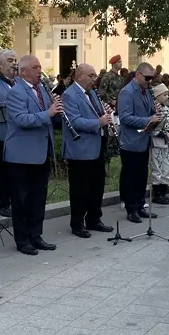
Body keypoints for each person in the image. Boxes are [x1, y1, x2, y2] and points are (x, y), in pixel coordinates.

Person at [5, 55, 59, 255]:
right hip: (21, 155)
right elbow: (20, 119)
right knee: (21, 200)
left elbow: (48, 114)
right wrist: (49, 113)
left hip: (40, 152)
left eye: (40, 67)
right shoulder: (16, 92)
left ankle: (36, 236)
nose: (39, 71)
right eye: (35, 67)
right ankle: (22, 240)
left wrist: (56, 109)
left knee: (38, 197)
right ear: (23, 71)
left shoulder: (42, 89)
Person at [62, 64, 114, 239]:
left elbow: (97, 114)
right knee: (80, 188)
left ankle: (94, 219)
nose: (95, 79)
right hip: (80, 149)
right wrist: (98, 123)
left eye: (95, 75)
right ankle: (77, 223)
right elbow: (74, 121)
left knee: (96, 186)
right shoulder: (69, 95)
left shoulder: (92, 93)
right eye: (91, 75)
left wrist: (105, 113)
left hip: (97, 146)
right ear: (80, 77)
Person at [117, 62, 161, 223]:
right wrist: (148, 119)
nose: (150, 81)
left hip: (143, 139)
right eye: (148, 78)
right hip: (130, 141)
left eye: (152, 78)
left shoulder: (146, 91)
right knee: (131, 176)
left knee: (142, 175)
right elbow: (125, 117)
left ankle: (140, 205)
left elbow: (148, 111)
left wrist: (156, 113)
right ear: (138, 75)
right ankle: (131, 208)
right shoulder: (127, 92)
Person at [0, 49, 18, 218]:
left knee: (16, 171)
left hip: (19, 134)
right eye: (10, 60)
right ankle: (3, 203)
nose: (14, 64)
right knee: (4, 171)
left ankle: (16, 200)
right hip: (3, 133)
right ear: (0, 65)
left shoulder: (20, 82)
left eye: (15, 60)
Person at [149, 83, 169, 205]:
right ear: (157, 96)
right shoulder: (153, 109)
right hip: (156, 143)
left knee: (167, 167)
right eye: (164, 94)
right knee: (157, 168)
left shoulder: (166, 108)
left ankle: (164, 192)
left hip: (166, 143)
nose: (167, 97)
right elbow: (151, 129)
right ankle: (157, 194)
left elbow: (168, 125)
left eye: (167, 94)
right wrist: (164, 134)